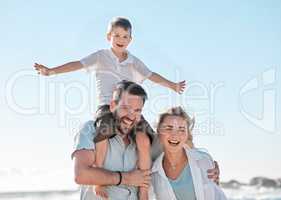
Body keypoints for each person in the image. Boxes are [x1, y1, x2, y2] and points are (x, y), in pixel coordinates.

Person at [34, 17, 186, 199]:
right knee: (103, 133)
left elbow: (152, 75)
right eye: (117, 36)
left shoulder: (134, 61)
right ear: (109, 37)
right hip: (107, 107)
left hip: (130, 108)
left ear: (130, 39)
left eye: (125, 36)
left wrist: (172, 86)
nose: (120, 40)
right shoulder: (100, 56)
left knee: (145, 139)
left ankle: (144, 187)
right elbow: (77, 64)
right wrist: (51, 71)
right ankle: (99, 178)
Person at [72, 81, 220, 200]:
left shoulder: (143, 140)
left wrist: (206, 167)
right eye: (126, 108)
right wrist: (126, 178)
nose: (131, 116)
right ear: (112, 106)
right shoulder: (90, 130)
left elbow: (178, 151)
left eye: (137, 111)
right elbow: (81, 174)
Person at [151, 106, 227, 200]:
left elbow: (216, 194)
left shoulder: (203, 161)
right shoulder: (154, 172)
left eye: (181, 129)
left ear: (187, 134)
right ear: (158, 131)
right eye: (169, 128)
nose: (175, 135)